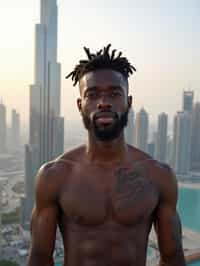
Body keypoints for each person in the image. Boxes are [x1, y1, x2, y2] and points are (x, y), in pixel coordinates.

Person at [27, 44, 186, 266]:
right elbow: (40, 258)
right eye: (92, 95)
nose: (103, 102)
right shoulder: (54, 176)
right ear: (80, 105)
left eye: (114, 93)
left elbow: (172, 257)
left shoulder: (158, 176)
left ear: (128, 103)